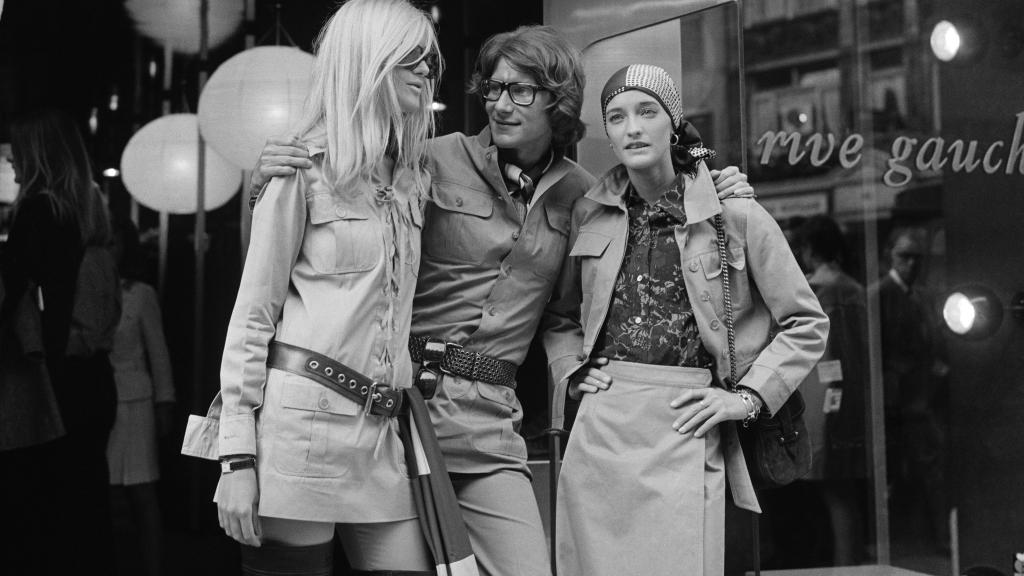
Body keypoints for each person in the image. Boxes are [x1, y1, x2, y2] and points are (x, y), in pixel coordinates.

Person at [251, 26, 755, 576]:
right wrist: (270, 175)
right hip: (401, 410)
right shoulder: (430, 158)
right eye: (494, 89)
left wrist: (721, 187)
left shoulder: (584, 196)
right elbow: (341, 180)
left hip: (489, 422)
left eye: (521, 91)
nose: (501, 104)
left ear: (556, 100)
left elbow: (569, 310)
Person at [181, 1, 445, 575]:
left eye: (429, 58)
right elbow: (253, 317)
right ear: (368, 62)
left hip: (381, 436)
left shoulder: (413, 178)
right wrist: (236, 460)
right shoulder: (300, 168)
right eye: (412, 58)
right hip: (300, 431)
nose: (427, 70)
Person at [543, 65, 829, 576]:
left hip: (686, 423)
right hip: (600, 432)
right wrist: (571, 368)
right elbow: (561, 315)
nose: (632, 127)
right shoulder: (589, 214)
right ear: (606, 135)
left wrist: (746, 398)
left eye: (646, 111)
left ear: (673, 124)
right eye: (616, 116)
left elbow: (806, 323)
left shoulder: (733, 214)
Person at [0, 108, 118, 575]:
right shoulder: (88, 208)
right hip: (92, 376)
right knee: (86, 504)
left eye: (17, 151)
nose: (11, 162)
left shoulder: (38, 210)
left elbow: (15, 293)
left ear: (37, 155)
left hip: (49, 381)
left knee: (39, 506)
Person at [106, 218, 175, 576]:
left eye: (114, 243)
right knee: (108, 494)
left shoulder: (140, 293)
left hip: (135, 402)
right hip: (100, 402)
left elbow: (158, 351)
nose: (109, 251)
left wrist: (165, 401)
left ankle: (153, 568)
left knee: (143, 492)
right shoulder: (87, 287)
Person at [876, 226, 950, 551]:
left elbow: (931, 341)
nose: (912, 264)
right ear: (889, 256)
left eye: (917, 258)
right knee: (897, 475)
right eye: (904, 256)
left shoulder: (921, 296)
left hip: (921, 398)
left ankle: (934, 538)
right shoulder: (880, 295)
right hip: (896, 402)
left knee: (929, 469)